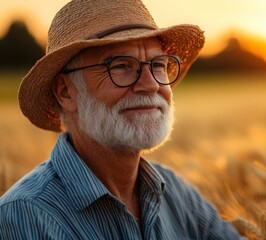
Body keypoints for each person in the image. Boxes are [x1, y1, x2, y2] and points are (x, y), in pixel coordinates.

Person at [0, 0, 244, 239]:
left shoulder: (176, 192)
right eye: (120, 66)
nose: (150, 85)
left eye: (158, 65)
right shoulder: (24, 215)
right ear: (65, 92)